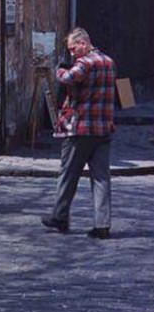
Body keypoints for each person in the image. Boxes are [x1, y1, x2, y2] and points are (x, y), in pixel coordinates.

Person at [42, 27, 116, 238]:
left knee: (68, 174)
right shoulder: (109, 62)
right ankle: (102, 224)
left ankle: (60, 216)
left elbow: (67, 78)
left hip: (81, 128)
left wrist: (59, 70)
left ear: (83, 43)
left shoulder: (85, 63)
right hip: (103, 129)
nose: (72, 53)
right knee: (101, 178)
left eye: (73, 48)